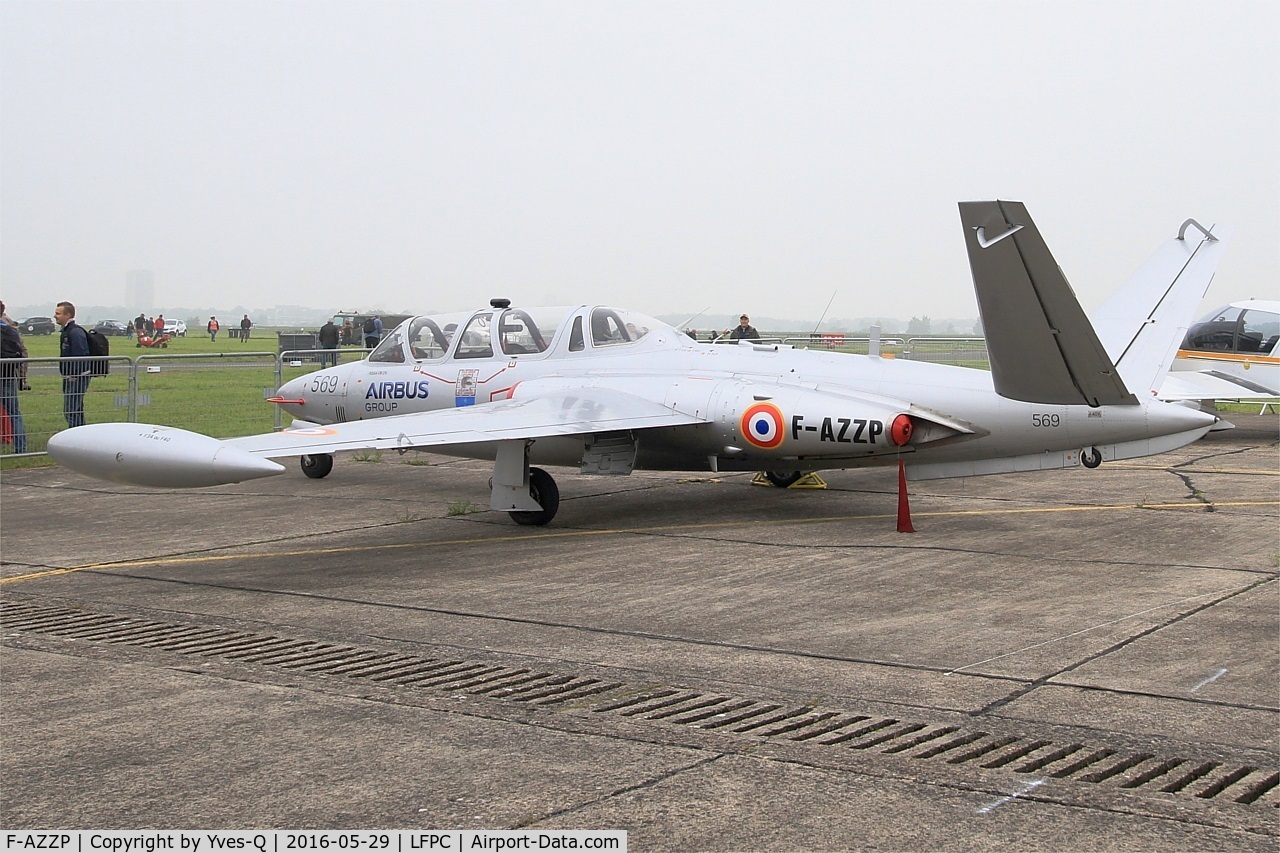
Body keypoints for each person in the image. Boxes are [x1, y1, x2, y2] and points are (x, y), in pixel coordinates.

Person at [55, 301, 91, 428]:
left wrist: (74, 375)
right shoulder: (67, 331)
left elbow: (79, 355)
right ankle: (81, 436)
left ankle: (76, 437)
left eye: (58, 313)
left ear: (68, 315)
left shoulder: (75, 332)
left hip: (77, 377)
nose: (55, 316)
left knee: (71, 411)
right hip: (70, 377)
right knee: (75, 410)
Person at [0, 301, 28, 453]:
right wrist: (23, 377)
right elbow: (22, 352)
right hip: (8, 375)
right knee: (14, 412)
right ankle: (21, 447)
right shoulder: (12, 331)